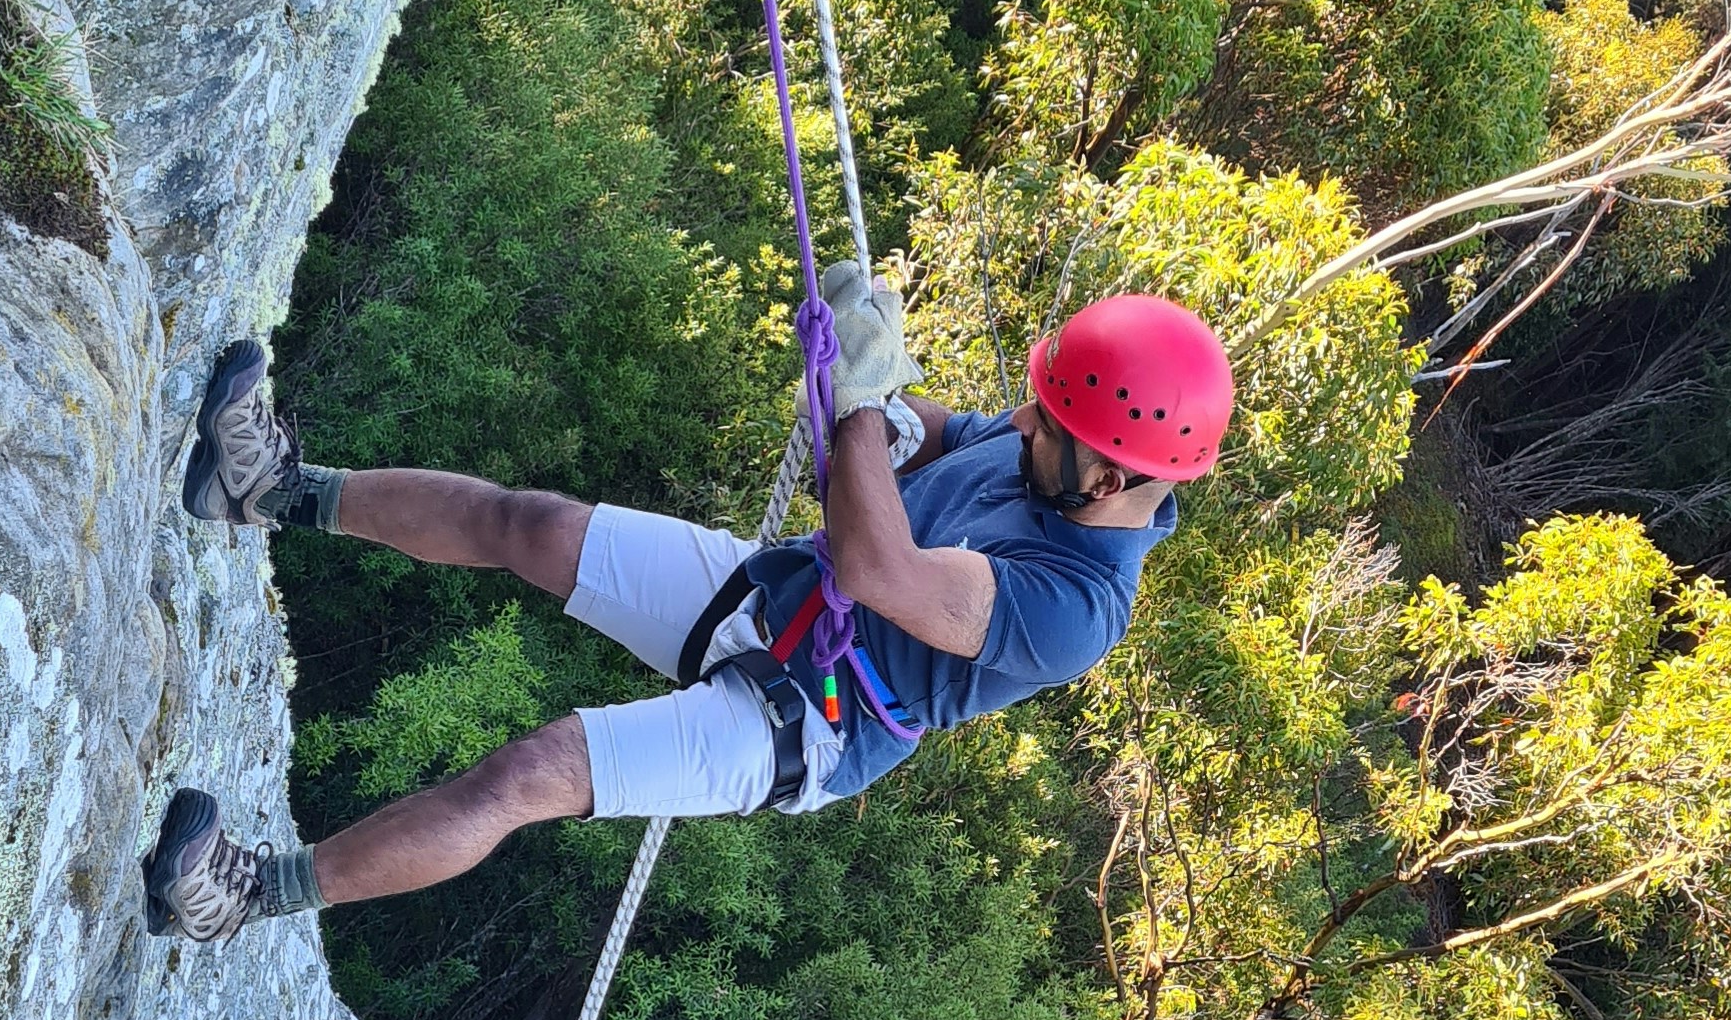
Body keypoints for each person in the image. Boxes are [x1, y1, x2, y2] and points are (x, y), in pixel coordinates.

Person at [141, 273, 1234, 943]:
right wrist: (871, 378)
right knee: (531, 524)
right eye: (1038, 409)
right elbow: (930, 432)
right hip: (776, 595)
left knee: (527, 774)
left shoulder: (1079, 606)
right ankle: (272, 490)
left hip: (802, 724)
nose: (1026, 425)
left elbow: (879, 571)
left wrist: (857, 410)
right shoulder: (1050, 446)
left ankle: (243, 897)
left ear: (1115, 476)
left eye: (1051, 426)